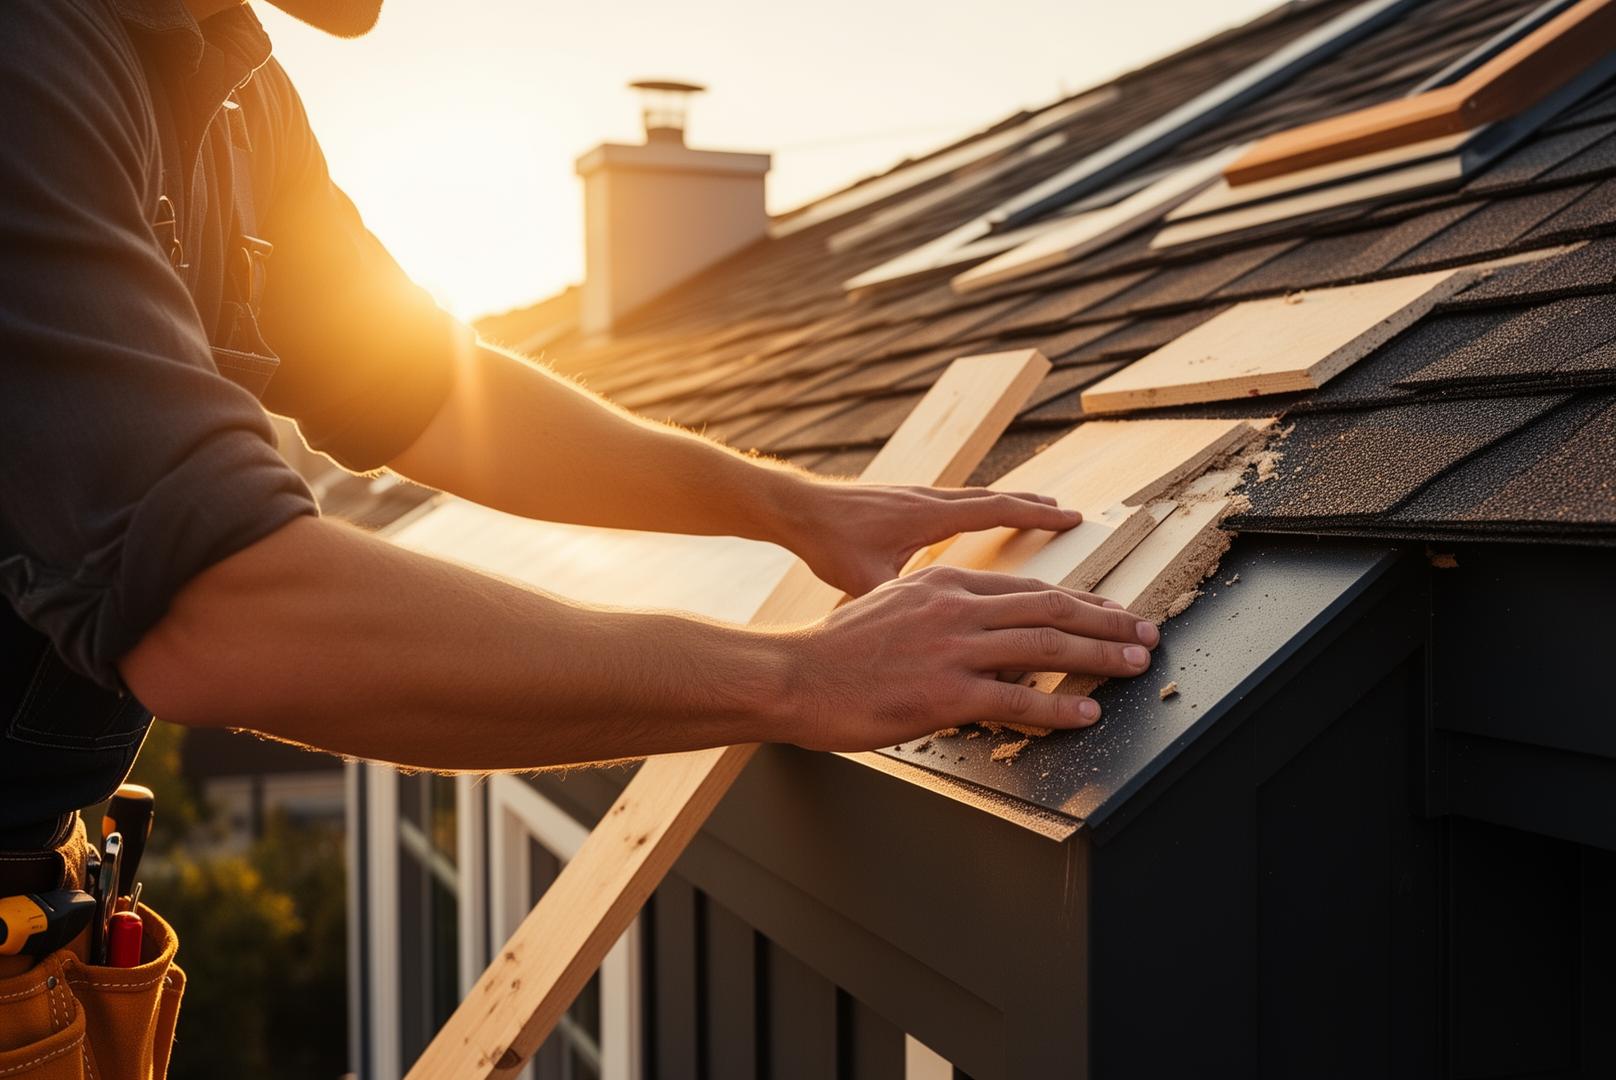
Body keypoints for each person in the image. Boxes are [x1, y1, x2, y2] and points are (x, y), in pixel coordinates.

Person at [0, 0, 1159, 1070]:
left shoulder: (228, 76)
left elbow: (426, 389)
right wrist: (798, 676)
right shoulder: (32, 59)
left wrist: (793, 508)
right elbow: (220, 608)